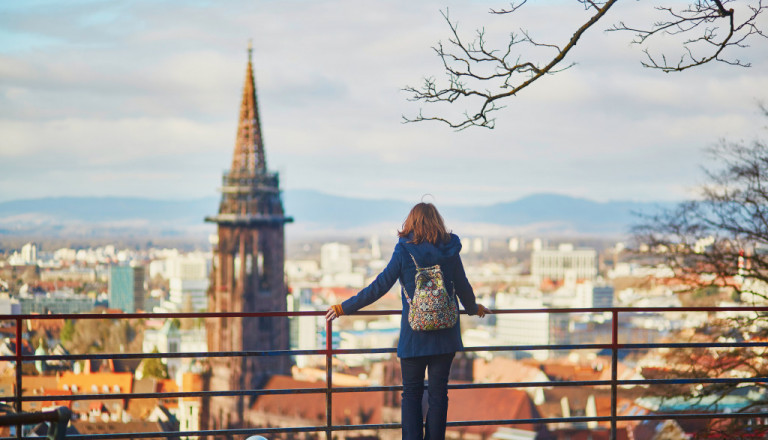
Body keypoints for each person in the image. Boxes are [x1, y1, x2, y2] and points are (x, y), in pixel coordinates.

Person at [326, 202, 490, 440]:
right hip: (446, 335)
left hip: (415, 337)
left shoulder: (404, 250)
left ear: (411, 223)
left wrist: (344, 308)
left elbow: (379, 286)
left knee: (411, 395)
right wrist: (474, 309)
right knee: (438, 395)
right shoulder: (450, 250)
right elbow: (463, 287)